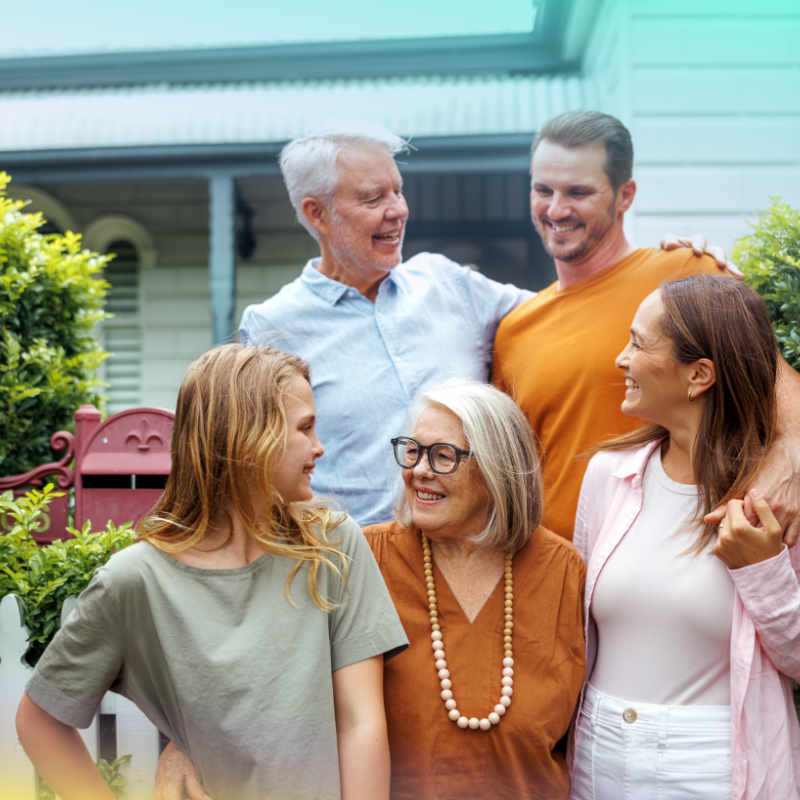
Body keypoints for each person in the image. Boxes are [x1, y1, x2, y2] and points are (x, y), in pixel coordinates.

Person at [240, 118, 726, 527]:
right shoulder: (270, 328)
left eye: (398, 190)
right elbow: (257, 474)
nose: (399, 210)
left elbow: (572, 308)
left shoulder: (449, 284)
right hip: (349, 571)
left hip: (471, 567)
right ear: (317, 214)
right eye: (373, 199)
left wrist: (681, 265)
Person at [151, 378, 587, 800]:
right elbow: (255, 669)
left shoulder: (563, 571)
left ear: (497, 467)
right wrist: (186, 744)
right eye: (413, 452)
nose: (418, 471)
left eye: (443, 456)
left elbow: (592, 721)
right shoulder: (359, 558)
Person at [16, 344, 408, 800]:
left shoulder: (334, 546)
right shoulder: (134, 580)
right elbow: (39, 720)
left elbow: (361, 723)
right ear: (248, 438)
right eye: (305, 428)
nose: (319, 447)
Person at [492, 110, 800, 543]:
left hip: (675, 563)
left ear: (625, 195)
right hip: (555, 576)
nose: (556, 209)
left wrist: (790, 460)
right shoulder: (513, 329)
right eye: (543, 190)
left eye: (578, 192)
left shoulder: (685, 271)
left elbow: (773, 380)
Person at [571, 275, 800, 800]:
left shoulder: (780, 498)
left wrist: (760, 570)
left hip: (716, 765)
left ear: (699, 375)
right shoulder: (608, 477)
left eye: (638, 343)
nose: (620, 359)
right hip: (597, 752)